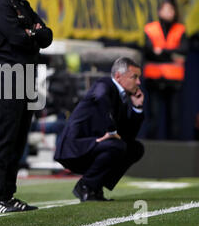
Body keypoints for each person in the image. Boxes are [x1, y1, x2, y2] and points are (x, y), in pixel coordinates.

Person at [0, 0, 53, 214]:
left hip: (25, 77)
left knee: (18, 139)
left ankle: (8, 195)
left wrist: (32, 32)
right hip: (5, 77)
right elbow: (19, 39)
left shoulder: (22, 4)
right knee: (5, 139)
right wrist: (31, 32)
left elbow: (46, 35)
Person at [54, 57, 145, 201]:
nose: (139, 82)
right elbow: (101, 97)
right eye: (134, 77)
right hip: (76, 146)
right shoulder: (104, 84)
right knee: (116, 145)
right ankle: (85, 185)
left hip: (95, 146)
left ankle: (96, 186)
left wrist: (137, 108)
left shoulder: (122, 97)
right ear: (118, 76)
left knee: (135, 148)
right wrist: (111, 131)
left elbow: (128, 136)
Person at [143, 1, 187, 140]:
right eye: (166, 10)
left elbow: (183, 51)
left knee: (174, 116)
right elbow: (149, 51)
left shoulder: (180, 29)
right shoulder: (150, 29)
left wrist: (161, 52)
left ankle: (174, 152)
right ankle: (150, 151)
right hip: (154, 79)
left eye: (171, 10)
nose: (169, 13)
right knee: (154, 116)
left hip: (174, 81)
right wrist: (172, 55)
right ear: (159, 12)